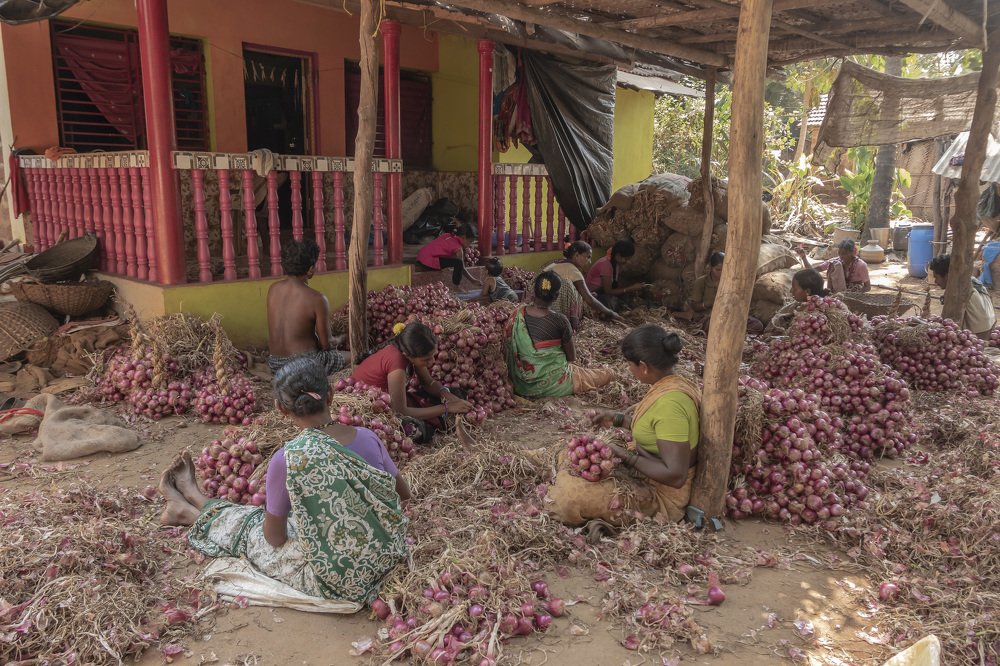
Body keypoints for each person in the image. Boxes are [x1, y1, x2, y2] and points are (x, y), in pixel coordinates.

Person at [157, 358, 408, 605]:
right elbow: (403, 494)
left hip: (338, 581)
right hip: (386, 556)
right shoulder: (368, 437)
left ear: (281, 409)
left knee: (251, 524)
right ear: (330, 395)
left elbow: (275, 539)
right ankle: (192, 497)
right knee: (281, 518)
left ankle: (189, 511)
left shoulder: (288, 459)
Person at [546, 324, 702, 527]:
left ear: (643, 366)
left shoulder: (671, 405)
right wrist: (617, 419)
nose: (629, 369)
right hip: (645, 471)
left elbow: (675, 475)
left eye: (630, 364)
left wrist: (623, 455)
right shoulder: (671, 384)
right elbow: (657, 430)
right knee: (567, 453)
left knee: (565, 500)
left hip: (660, 496)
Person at [352, 321, 473, 441]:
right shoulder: (397, 362)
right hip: (374, 409)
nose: (431, 362)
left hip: (395, 401)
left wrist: (446, 395)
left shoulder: (412, 351)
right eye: (426, 359)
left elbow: (427, 382)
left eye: (433, 356)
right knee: (418, 431)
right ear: (407, 355)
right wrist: (446, 407)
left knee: (459, 393)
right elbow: (399, 411)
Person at [505, 271, 614, 398]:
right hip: (556, 384)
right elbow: (571, 357)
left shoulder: (517, 315)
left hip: (522, 386)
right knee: (608, 374)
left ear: (534, 292)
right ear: (556, 296)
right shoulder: (560, 320)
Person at [267, 239, 346, 376]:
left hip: (275, 363)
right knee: (353, 356)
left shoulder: (273, 289)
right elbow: (326, 345)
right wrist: (341, 338)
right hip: (304, 365)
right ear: (310, 269)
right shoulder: (317, 299)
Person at [543, 241, 622, 331]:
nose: (589, 261)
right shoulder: (573, 271)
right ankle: (571, 324)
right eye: (588, 257)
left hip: (541, 301)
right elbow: (590, 300)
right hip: (552, 308)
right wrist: (611, 313)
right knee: (591, 302)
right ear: (577, 255)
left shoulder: (557, 263)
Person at [689, 252, 764, 334]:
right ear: (711, 268)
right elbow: (694, 306)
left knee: (757, 325)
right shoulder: (701, 282)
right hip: (709, 317)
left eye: (724, 269)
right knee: (714, 323)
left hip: (730, 315)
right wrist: (707, 304)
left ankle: (732, 332)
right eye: (718, 270)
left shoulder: (731, 281)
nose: (721, 273)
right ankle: (729, 331)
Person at [928, 254, 997, 339]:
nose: (935, 282)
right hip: (991, 327)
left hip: (977, 335)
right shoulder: (971, 280)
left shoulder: (955, 291)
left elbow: (947, 323)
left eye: (936, 277)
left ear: (947, 276)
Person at [585, 240, 650, 312]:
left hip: (601, 291)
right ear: (618, 255)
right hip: (592, 294)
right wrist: (630, 288)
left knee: (627, 298)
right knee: (614, 302)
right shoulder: (606, 264)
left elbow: (613, 285)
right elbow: (608, 291)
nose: (627, 261)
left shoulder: (615, 263)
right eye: (626, 259)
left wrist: (631, 288)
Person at [765, 268, 829, 335]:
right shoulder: (794, 307)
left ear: (807, 292)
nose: (791, 291)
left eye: (794, 288)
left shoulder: (813, 316)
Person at [415, 223, 481, 288]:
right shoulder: (458, 249)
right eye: (470, 242)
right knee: (458, 263)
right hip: (428, 262)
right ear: (463, 237)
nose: (470, 245)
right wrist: (473, 280)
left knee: (454, 260)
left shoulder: (447, 235)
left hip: (421, 256)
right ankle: (456, 286)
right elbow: (462, 268)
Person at [797, 239, 871, 293]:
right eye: (839, 253)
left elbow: (867, 287)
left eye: (844, 253)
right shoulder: (835, 262)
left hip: (853, 292)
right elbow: (812, 271)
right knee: (835, 265)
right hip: (836, 293)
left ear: (853, 252)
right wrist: (803, 257)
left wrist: (853, 295)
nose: (841, 256)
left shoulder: (861, 265)